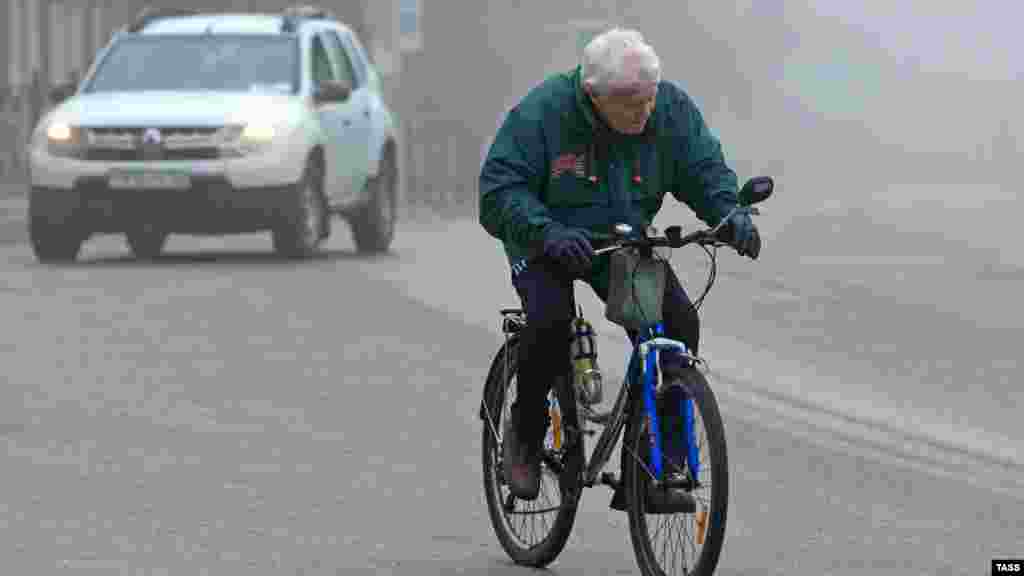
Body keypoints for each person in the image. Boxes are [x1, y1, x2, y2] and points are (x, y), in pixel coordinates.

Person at [478, 28, 760, 511]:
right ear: (594, 95)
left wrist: (729, 215)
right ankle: (524, 439)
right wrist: (547, 231)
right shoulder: (543, 114)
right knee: (549, 324)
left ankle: (656, 467)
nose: (644, 111)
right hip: (545, 239)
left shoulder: (668, 110)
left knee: (675, 324)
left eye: (648, 99)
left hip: (620, 239)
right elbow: (498, 192)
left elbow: (703, 169)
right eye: (630, 103)